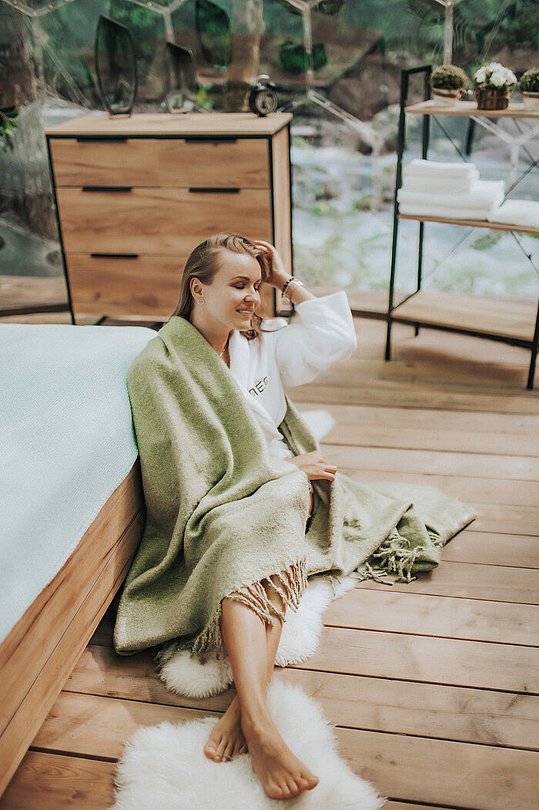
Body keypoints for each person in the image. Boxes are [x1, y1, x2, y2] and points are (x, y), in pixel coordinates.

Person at [171, 233, 357, 801]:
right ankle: (257, 716)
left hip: (283, 483)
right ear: (197, 287)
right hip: (229, 492)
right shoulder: (168, 361)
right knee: (242, 544)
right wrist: (283, 468)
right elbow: (183, 460)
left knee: (270, 531)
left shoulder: (261, 343)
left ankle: (248, 714)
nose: (252, 297)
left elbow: (337, 338)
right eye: (238, 284)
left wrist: (285, 279)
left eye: (256, 285)